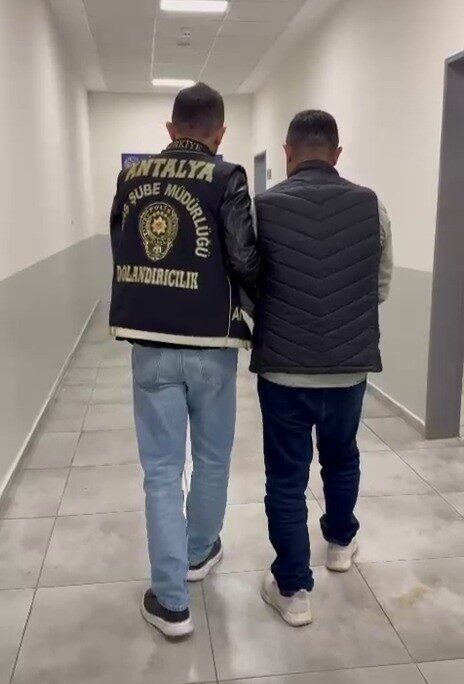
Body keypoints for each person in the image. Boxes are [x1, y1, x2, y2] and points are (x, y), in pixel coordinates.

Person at [109, 82, 259, 638]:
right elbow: (244, 257)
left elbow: (122, 246)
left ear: (170, 130)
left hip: (149, 343)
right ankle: (198, 553)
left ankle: (170, 602)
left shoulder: (132, 177)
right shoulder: (228, 177)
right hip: (212, 345)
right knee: (213, 459)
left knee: (161, 472)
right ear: (220, 134)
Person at [251, 110, 393, 627]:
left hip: (282, 372)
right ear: (337, 153)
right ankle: (339, 543)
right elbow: (380, 286)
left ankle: (292, 590)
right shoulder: (372, 205)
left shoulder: (262, 208)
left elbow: (247, 284)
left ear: (288, 152)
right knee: (341, 456)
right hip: (348, 369)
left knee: (286, 478)